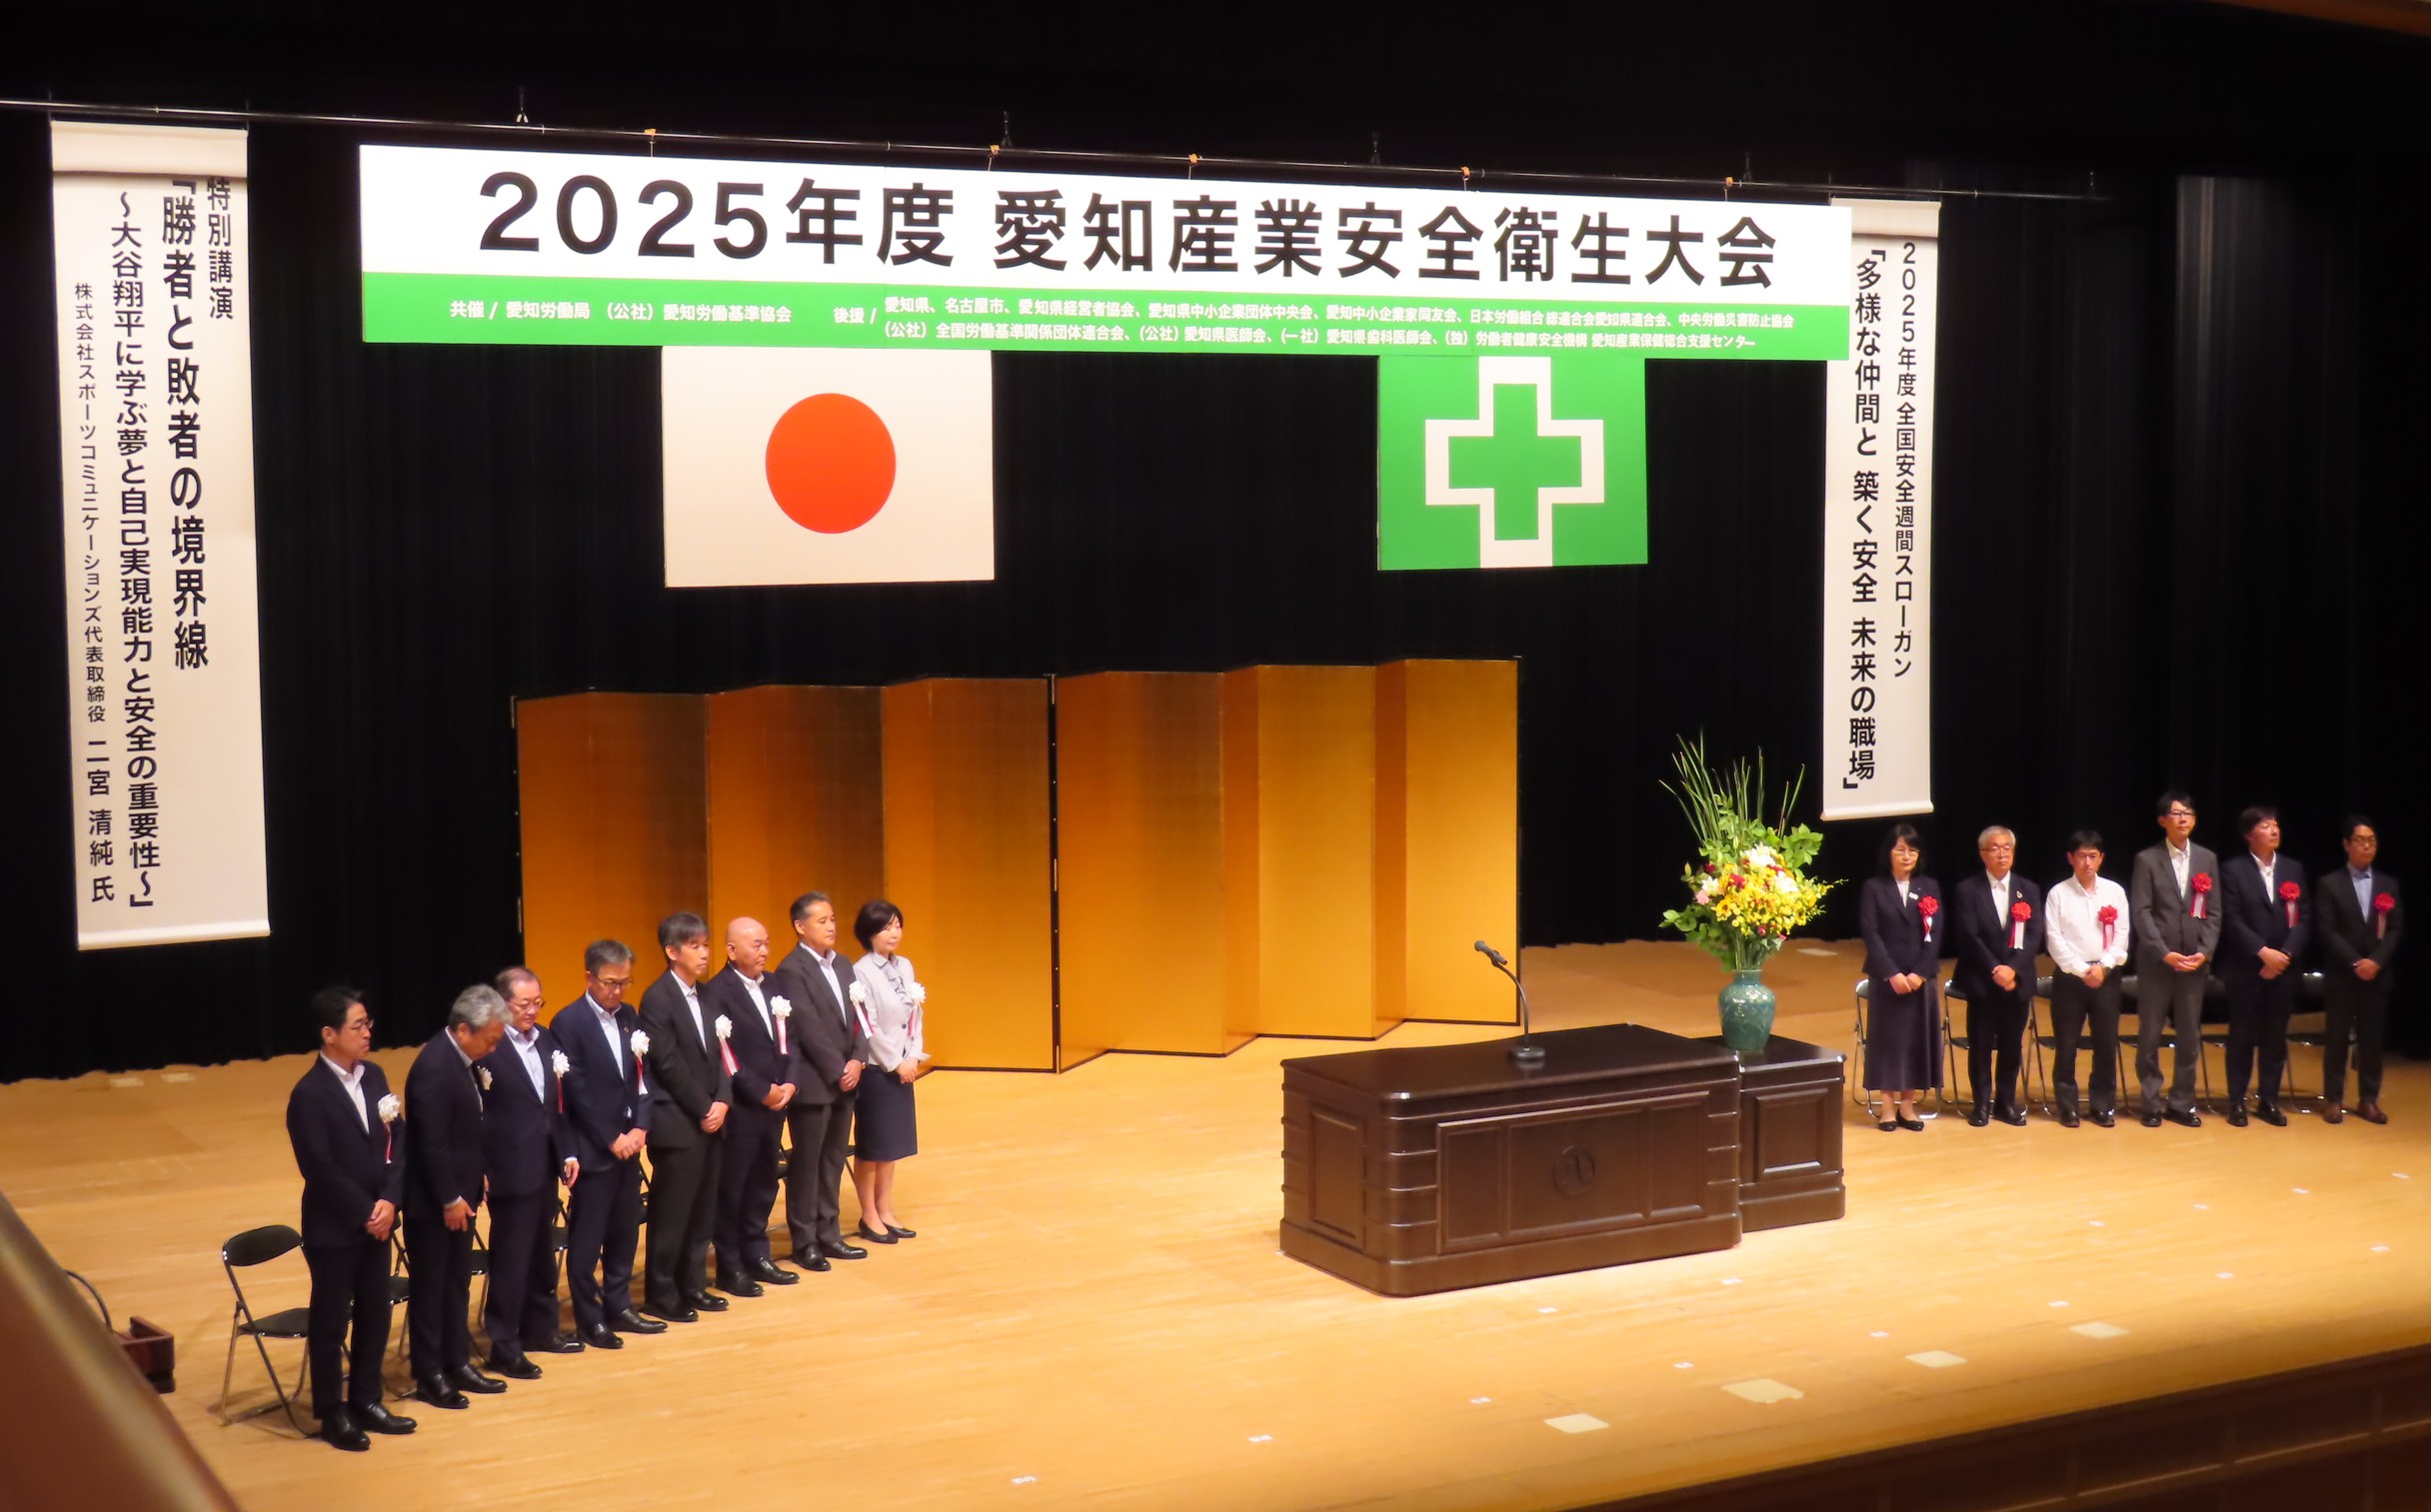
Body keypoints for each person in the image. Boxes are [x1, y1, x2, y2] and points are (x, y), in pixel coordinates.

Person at [283, 986, 417, 1451]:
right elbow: (318, 1168)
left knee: (376, 1314)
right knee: (331, 1322)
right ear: (329, 1034)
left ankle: (366, 1400)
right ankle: (331, 1412)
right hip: (336, 1229)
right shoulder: (309, 1094)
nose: (367, 1032)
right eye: (358, 1025)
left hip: (380, 1220)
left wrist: (391, 1201)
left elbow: (397, 1140)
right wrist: (365, 1212)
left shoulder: (375, 1076)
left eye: (367, 1023)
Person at [549, 940, 662, 1350]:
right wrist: (611, 1137)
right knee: (586, 1241)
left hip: (630, 1145)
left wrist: (641, 1128)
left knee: (624, 1232)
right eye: (611, 982)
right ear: (589, 977)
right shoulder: (568, 1022)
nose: (618, 991)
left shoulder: (629, 1016)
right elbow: (575, 1090)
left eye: (625, 982)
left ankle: (619, 1305)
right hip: (594, 1149)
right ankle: (589, 1319)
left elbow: (643, 1075)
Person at [403, 984, 509, 1409]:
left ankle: (457, 1361)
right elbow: (430, 1143)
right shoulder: (434, 1067)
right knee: (431, 1289)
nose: (493, 1048)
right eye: (490, 1039)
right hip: (434, 1205)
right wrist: (449, 1197)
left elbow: (467, 1131)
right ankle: (430, 1374)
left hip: (463, 1195)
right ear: (464, 1030)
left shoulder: (463, 1062)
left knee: (456, 1285)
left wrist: (476, 1177)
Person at [474, 967, 580, 1378]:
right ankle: (504, 1344)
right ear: (502, 1004)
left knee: (540, 1254)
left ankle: (541, 1329)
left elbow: (557, 1105)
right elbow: (475, 1115)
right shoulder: (488, 1046)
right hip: (508, 1168)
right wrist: (481, 1168)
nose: (532, 1011)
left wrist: (567, 1152)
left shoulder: (547, 1040)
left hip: (544, 1165)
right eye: (524, 1004)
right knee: (511, 1259)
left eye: (538, 1003)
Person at [770, 891, 872, 1270]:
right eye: (822, 921)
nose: (831, 926)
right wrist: (839, 1069)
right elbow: (807, 1027)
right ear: (800, 926)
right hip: (815, 1083)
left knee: (833, 1160)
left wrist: (858, 1059)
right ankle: (805, 1241)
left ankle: (830, 1233)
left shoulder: (842, 963)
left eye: (832, 919)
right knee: (807, 1163)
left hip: (847, 1078)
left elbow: (860, 1015)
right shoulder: (791, 970)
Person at [637, 911, 730, 1323]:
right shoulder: (657, 998)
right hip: (678, 1121)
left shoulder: (708, 995)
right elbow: (668, 1062)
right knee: (672, 1213)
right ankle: (661, 1293)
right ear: (672, 952)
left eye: (706, 945)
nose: (704, 953)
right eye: (695, 946)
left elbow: (725, 1053)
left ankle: (693, 1284)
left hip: (712, 1118)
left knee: (702, 1209)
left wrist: (723, 1100)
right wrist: (703, 1107)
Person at [702, 916, 801, 1296]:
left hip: (776, 1103)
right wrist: (761, 1090)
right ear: (731, 950)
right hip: (742, 1108)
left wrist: (790, 1082)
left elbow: (790, 1038)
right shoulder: (716, 992)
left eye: (766, 943)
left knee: (763, 1181)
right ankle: (730, 1266)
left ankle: (758, 1254)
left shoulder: (776, 985)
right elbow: (725, 1055)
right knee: (733, 1187)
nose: (764, 950)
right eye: (755, 944)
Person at [2130, 791, 2220, 1128]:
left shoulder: (2207, 859)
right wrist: (2163, 952)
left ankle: (2181, 1102)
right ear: (2162, 820)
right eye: (2176, 813)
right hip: (2158, 962)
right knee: (2150, 1034)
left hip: (2194, 962)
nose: (2183, 819)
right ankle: (2151, 1102)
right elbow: (2142, 911)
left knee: (2189, 1035)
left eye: (2189, 813)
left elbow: (2214, 912)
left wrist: (2204, 952)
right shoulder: (2147, 859)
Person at [2217, 806, 2311, 1127]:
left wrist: (2284, 955)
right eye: (2265, 826)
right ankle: (2236, 1101)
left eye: (2276, 825)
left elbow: (2304, 917)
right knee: (2242, 1037)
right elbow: (2231, 919)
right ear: (2249, 835)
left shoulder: (2293, 868)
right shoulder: (2233, 870)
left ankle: (2268, 1100)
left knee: (2275, 1038)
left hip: (2283, 969)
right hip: (2246, 969)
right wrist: (2262, 953)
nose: (2274, 830)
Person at [1949, 825, 2044, 1127]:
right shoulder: (1968, 890)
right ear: (1983, 854)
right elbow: (1969, 936)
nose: (2002, 854)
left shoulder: (2028, 889)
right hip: (1982, 980)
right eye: (1995, 848)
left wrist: (2013, 969)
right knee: (1980, 1045)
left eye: (2007, 848)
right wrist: (1996, 969)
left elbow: (2035, 935)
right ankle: (1981, 1104)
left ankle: (2006, 1103)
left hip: (2017, 981)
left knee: (2012, 1045)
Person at [851, 899, 929, 1241]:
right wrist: (896, 1062)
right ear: (869, 933)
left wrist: (913, 1056)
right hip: (877, 1068)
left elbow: (915, 1015)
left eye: (897, 925)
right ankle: (868, 1215)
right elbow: (868, 1026)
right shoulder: (861, 971)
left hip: (904, 1065)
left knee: (891, 1146)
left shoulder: (905, 965)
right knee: (873, 1146)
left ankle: (885, 1209)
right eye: (885, 927)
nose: (894, 932)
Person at [2317, 817, 2403, 1124]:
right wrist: (2356, 962)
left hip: (2376, 976)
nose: (2367, 846)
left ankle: (2369, 1099)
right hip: (2343, 974)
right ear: (2346, 844)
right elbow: (2327, 931)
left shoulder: (2388, 884)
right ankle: (2333, 1099)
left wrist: (2375, 961)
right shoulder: (2330, 883)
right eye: (2360, 840)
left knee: (2372, 1041)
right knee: (2337, 1039)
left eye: (2372, 840)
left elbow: (2395, 929)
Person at [1858, 824, 1942, 1132]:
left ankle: (1908, 1106)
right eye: (1901, 850)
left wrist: (1919, 972)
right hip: (1887, 978)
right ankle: (1887, 1108)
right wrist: (1892, 973)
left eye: (1913, 850)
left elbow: (1935, 934)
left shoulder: (1929, 886)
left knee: (1915, 1041)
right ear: (1889, 853)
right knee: (1888, 1042)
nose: (1907, 856)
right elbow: (1871, 933)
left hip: (1921, 978)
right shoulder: (1874, 887)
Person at [2044, 831, 2130, 1128]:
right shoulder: (2058, 894)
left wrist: (2103, 967)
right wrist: (2082, 970)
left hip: (2106, 976)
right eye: (2082, 856)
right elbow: (2054, 940)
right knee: (2066, 1044)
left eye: (2093, 856)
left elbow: (2122, 936)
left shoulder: (2114, 892)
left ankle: (2102, 1105)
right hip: (2070, 978)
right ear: (2071, 858)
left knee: (2106, 1043)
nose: (2088, 862)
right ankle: (2067, 1106)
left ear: (2101, 858)